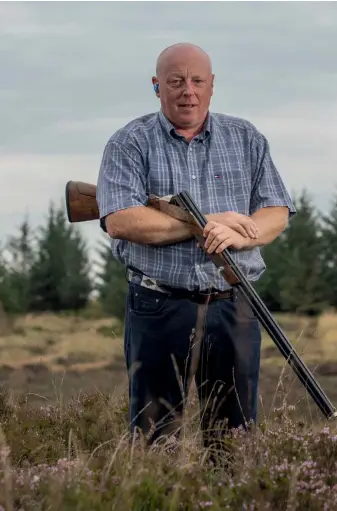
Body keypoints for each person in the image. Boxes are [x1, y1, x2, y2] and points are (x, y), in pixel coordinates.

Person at [96, 42, 295, 449]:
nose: (188, 90)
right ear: (157, 86)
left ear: (211, 85)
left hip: (233, 302)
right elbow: (120, 220)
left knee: (235, 440)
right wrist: (205, 224)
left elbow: (277, 211)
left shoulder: (246, 137)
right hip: (158, 306)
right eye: (175, 81)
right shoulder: (129, 142)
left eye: (197, 81)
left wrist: (242, 233)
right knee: (155, 437)